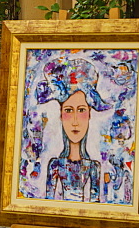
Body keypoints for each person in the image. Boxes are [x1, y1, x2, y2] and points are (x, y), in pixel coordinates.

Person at [38, 59, 108, 203]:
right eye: (68, 110)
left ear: (90, 113)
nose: (75, 122)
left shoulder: (93, 167)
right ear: (61, 115)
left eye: (81, 110)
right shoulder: (55, 165)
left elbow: (96, 206)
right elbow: (48, 206)